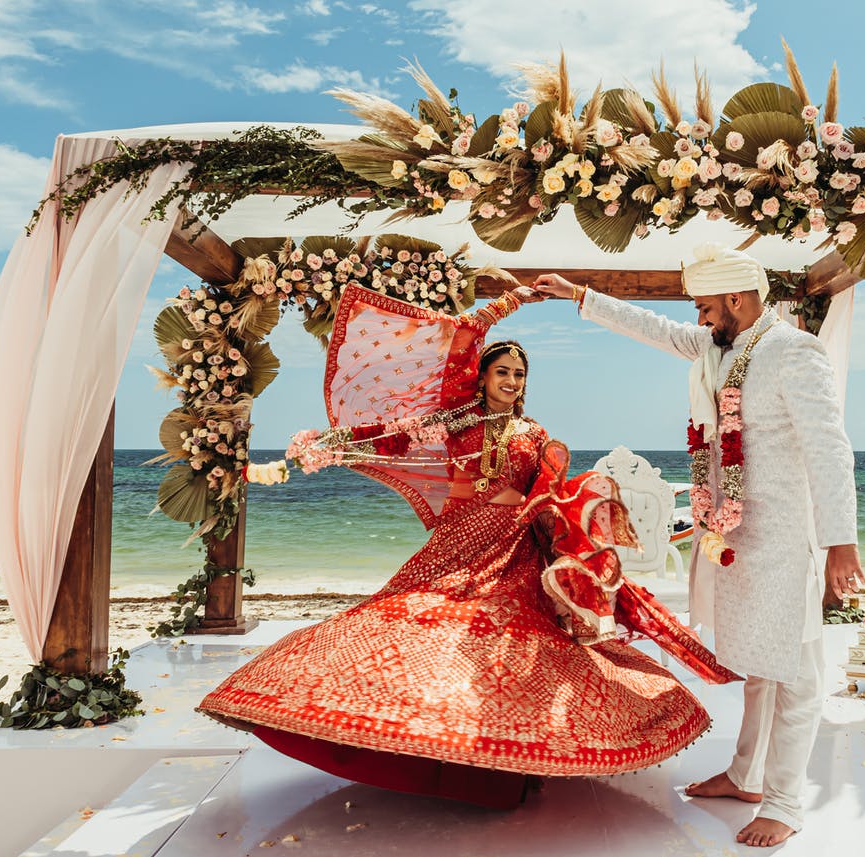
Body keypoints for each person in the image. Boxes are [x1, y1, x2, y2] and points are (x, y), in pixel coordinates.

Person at [198, 283, 738, 810]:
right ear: (479, 378)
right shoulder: (459, 419)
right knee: (412, 622)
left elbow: (546, 497)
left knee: (505, 645)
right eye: (501, 371)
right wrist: (329, 446)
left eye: (519, 373)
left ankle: (505, 763)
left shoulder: (535, 431)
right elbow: (400, 426)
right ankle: (419, 738)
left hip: (513, 549)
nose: (510, 379)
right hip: (459, 543)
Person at [532, 245, 861, 848]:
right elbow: (656, 330)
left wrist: (841, 542)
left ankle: (786, 804)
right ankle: (746, 777)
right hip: (733, 537)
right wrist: (580, 297)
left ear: (738, 300)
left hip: (786, 538)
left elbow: (830, 450)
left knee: (797, 673)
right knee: (761, 666)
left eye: (708, 308)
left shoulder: (793, 351)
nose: (702, 320)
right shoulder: (718, 348)